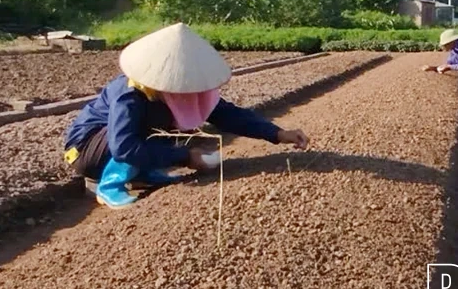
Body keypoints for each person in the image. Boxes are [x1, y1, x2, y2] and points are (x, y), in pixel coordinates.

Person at [63, 23, 310, 208]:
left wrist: (277, 133)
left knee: (170, 119)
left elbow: (227, 115)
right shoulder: (129, 93)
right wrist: (185, 156)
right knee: (145, 124)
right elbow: (123, 146)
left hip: (120, 145)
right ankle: (108, 185)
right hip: (87, 150)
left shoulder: (184, 92)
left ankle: (140, 175)